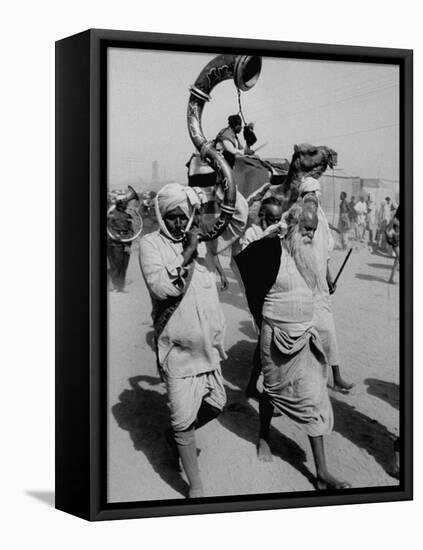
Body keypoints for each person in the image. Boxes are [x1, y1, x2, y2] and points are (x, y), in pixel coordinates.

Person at [139, 182, 247, 498]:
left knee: (217, 404)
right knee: (183, 418)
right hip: (178, 352)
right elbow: (164, 289)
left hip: (208, 350)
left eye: (181, 215)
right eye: (170, 217)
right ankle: (196, 486)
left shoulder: (203, 240)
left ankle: (175, 435)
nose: (176, 222)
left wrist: (223, 184)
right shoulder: (151, 245)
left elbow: (238, 221)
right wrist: (188, 251)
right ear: (161, 216)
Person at [235, 202, 350, 490]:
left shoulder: (310, 255)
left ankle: (322, 471)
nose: (310, 235)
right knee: (271, 392)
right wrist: (258, 313)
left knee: (315, 397)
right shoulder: (273, 249)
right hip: (275, 336)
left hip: (304, 337)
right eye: (306, 230)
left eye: (313, 230)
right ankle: (264, 436)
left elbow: (316, 288)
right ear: (294, 226)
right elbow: (243, 261)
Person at [299, 177, 354, 393]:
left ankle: (336, 376)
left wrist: (329, 278)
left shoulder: (320, 215)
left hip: (320, 283)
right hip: (305, 282)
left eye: (315, 194)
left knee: (328, 330)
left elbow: (325, 254)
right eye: (311, 195)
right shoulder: (303, 215)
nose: (314, 198)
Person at [107, 199, 134, 292]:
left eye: (125, 205)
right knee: (116, 264)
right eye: (123, 205)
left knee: (124, 264)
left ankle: (120, 287)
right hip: (115, 243)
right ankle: (114, 284)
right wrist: (116, 235)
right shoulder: (112, 214)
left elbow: (131, 229)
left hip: (126, 243)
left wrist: (128, 240)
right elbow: (109, 228)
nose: (125, 207)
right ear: (119, 205)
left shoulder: (128, 216)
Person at [386, 205, 400, 284]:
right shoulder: (395, 220)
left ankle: (391, 278)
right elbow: (388, 230)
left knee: (397, 260)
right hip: (396, 241)